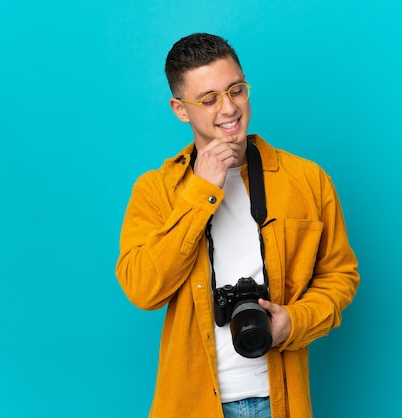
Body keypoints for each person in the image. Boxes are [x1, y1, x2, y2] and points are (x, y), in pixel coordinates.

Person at [115, 32, 360, 418]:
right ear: (180, 109)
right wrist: (201, 191)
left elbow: (340, 275)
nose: (229, 109)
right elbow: (143, 289)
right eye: (209, 99)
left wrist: (294, 322)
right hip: (192, 403)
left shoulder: (308, 180)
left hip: (282, 401)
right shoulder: (155, 190)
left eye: (237, 90)